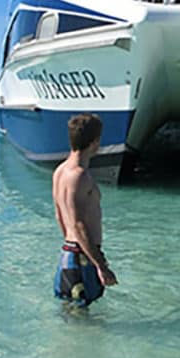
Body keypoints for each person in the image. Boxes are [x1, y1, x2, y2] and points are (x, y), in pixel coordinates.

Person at [52, 113, 117, 308]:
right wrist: (100, 266)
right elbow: (78, 224)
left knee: (73, 315)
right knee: (83, 318)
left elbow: (60, 216)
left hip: (70, 253)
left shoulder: (60, 171)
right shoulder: (79, 176)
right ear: (95, 142)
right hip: (81, 257)